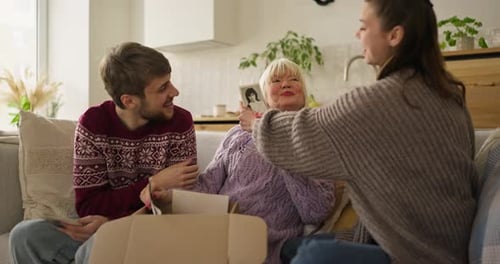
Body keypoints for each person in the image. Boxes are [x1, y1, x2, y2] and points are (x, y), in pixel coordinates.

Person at [240, 0, 478, 263]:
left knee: (311, 255)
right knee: (290, 247)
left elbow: (305, 131)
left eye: (364, 26)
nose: (357, 34)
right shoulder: (448, 95)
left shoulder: (380, 101)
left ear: (395, 35)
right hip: (445, 243)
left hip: (414, 252)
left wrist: (257, 122)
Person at [9, 42, 199, 264]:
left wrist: (112, 224)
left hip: (147, 234)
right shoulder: (93, 124)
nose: (174, 92)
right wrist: (153, 182)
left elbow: (178, 207)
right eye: (162, 88)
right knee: (25, 235)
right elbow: (89, 206)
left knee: (103, 244)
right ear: (129, 100)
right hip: (101, 231)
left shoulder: (180, 123)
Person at [143, 58, 336, 264]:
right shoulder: (237, 134)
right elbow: (208, 185)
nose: (286, 84)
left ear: (304, 92)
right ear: (262, 94)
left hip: (264, 244)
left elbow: (315, 211)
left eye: (294, 79)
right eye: (276, 80)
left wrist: (273, 140)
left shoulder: (315, 137)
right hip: (217, 233)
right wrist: (171, 198)